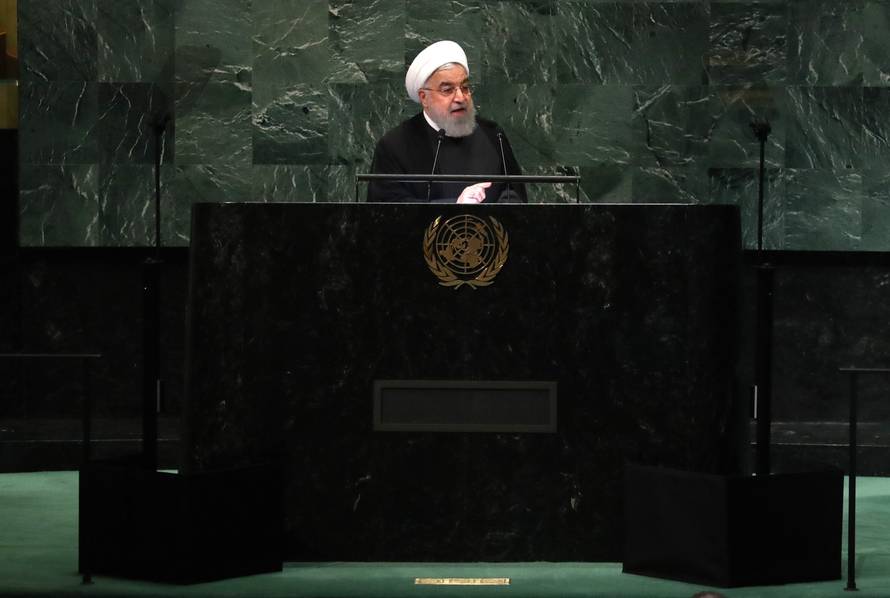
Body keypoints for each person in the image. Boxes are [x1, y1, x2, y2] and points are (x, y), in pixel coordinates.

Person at [367, 40, 527, 204]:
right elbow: (387, 212)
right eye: (447, 90)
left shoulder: (493, 135)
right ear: (424, 98)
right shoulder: (394, 146)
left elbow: (515, 195)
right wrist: (455, 206)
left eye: (464, 87)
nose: (460, 98)